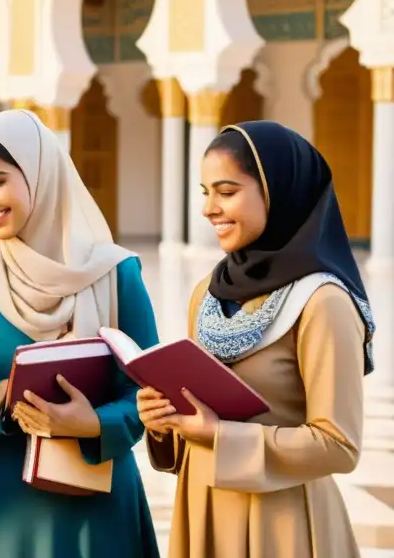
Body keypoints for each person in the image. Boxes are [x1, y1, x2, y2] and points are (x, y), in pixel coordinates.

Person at [138, 121, 375, 557]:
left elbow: (339, 446)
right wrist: (163, 422)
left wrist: (220, 435)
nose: (209, 209)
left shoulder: (321, 301)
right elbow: (198, 421)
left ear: (278, 193)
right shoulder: (207, 294)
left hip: (281, 526)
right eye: (205, 191)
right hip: (203, 510)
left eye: (227, 192)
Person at [0, 108, 160, 558]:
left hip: (97, 496)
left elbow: (152, 396)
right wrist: (4, 393)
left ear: (41, 175)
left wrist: (92, 423)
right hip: (2, 504)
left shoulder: (116, 274)